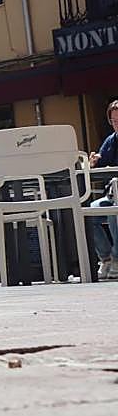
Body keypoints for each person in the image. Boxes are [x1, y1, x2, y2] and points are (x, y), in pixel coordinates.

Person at [88, 100, 118, 281]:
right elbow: (100, 164)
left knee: (114, 211)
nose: (116, 124)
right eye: (113, 121)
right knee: (89, 213)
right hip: (112, 193)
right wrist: (93, 162)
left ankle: (117, 258)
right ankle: (106, 258)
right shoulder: (111, 140)